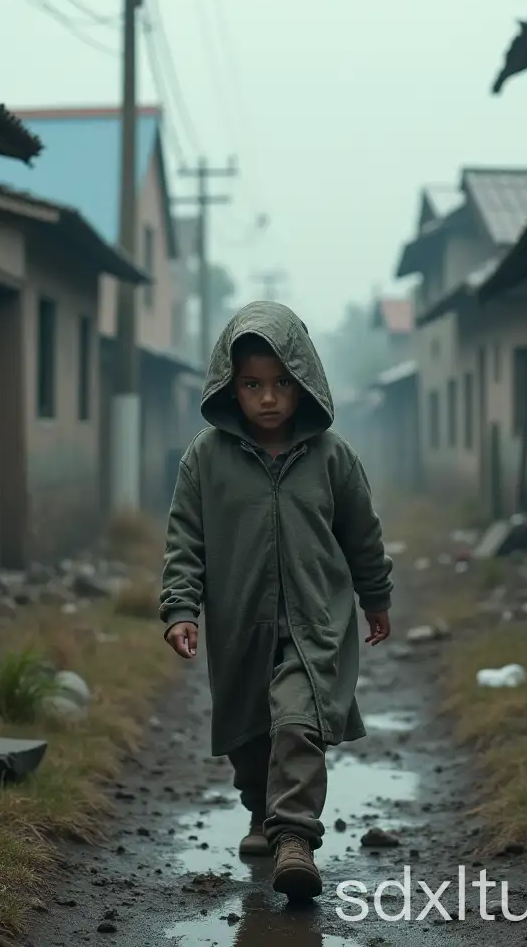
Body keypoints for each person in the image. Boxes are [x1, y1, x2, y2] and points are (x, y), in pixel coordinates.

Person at [159, 300, 394, 901]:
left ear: (305, 379)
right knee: (248, 736)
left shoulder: (332, 456)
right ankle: (262, 812)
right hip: (239, 625)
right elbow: (185, 541)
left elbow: (361, 534)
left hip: (316, 621)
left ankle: (295, 840)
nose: (267, 397)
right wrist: (181, 608)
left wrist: (375, 597)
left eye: (282, 382)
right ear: (229, 387)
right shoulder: (205, 460)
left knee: (298, 720)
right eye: (252, 384)